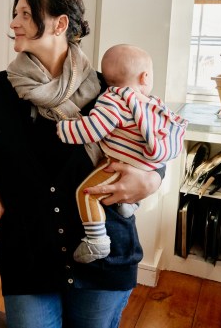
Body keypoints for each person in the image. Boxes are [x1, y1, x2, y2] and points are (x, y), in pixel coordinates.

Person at [0, 0, 164, 328]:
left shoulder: (108, 88)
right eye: (14, 13)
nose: (13, 22)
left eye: (25, 13)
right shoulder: (3, 87)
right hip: (28, 253)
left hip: (104, 257)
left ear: (60, 23)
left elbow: (150, 143)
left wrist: (152, 180)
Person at [56, 44, 188, 264]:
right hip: (146, 164)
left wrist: (64, 128)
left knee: (87, 193)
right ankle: (129, 204)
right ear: (145, 76)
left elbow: (94, 129)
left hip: (119, 162)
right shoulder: (152, 103)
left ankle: (96, 240)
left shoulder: (113, 99)